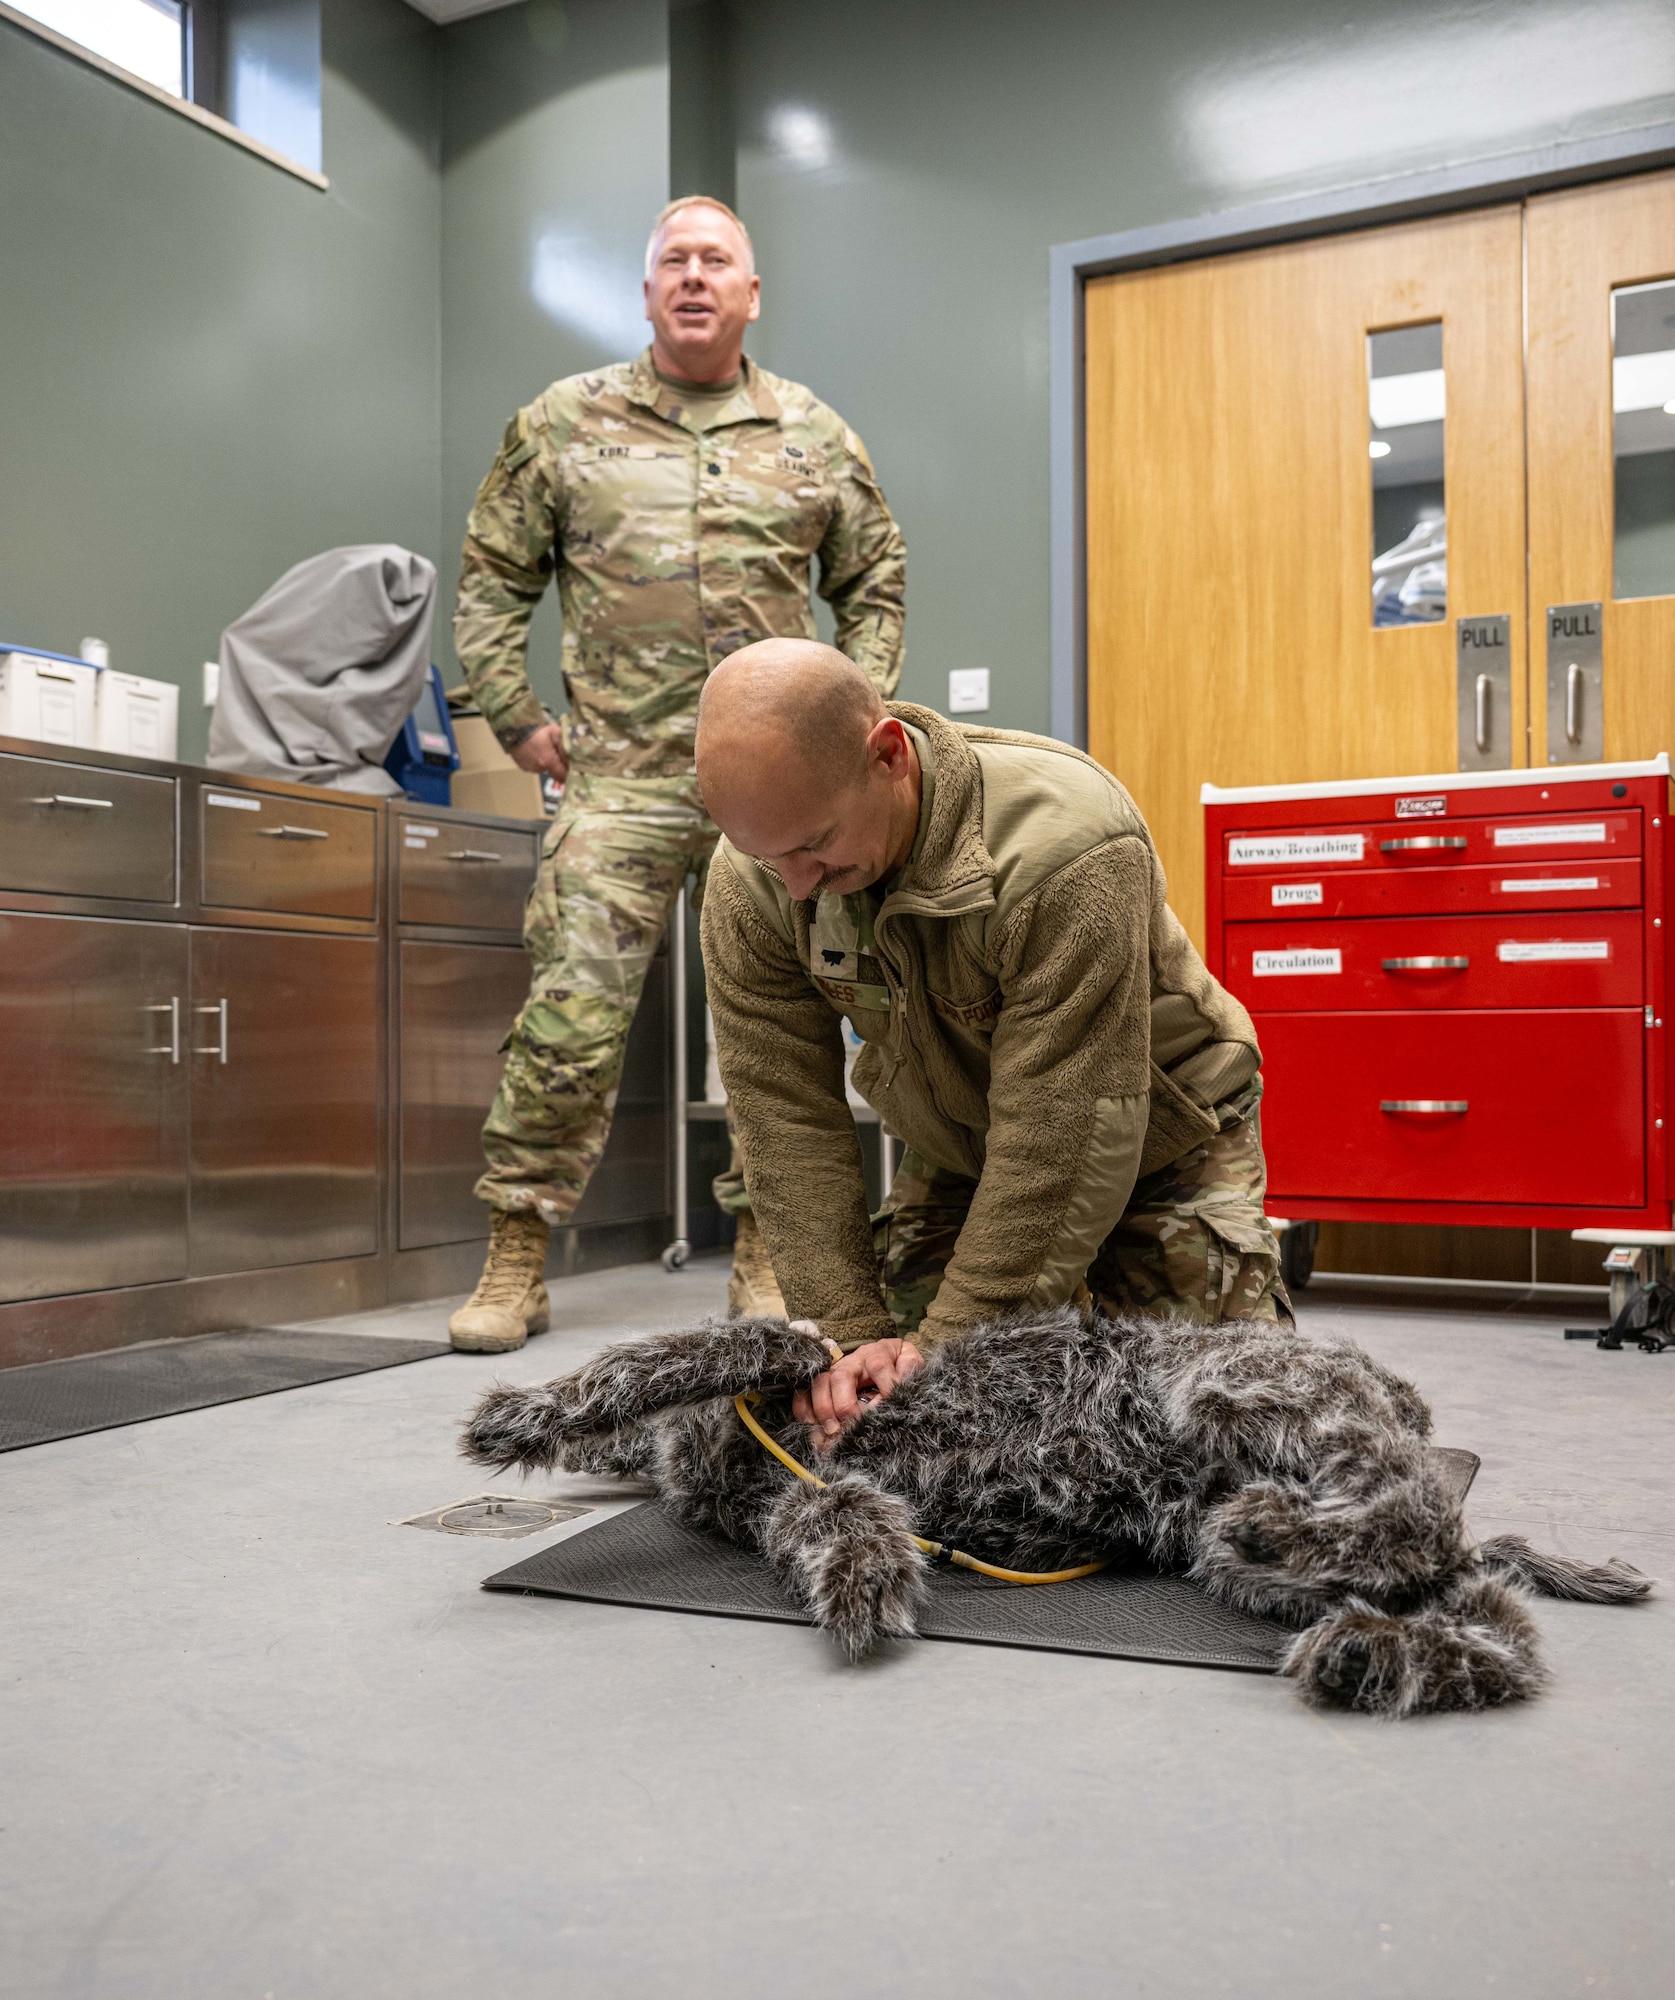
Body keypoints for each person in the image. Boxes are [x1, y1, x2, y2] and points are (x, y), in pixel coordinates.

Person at [447, 199, 906, 1352]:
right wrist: (511, 713)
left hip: (781, 793)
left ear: (752, 294)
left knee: (782, 1019)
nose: (694, 277)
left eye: (717, 262)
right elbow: (492, 577)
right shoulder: (561, 424)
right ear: (647, 292)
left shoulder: (813, 433)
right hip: (622, 777)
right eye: (673, 263)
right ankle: (515, 1251)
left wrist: (849, 726)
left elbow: (877, 586)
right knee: (572, 1011)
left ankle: (765, 1250)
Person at [694, 638, 1288, 1448]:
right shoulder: (753, 877)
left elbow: (1067, 1130)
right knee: (882, 1417)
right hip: (961, 1142)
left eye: (813, 845)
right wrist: (841, 1335)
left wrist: (949, 1346)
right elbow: (782, 1115)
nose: (795, 882)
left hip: (1162, 1132)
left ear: (887, 755)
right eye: (768, 853)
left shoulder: (1066, 849)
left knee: (1198, 1438)